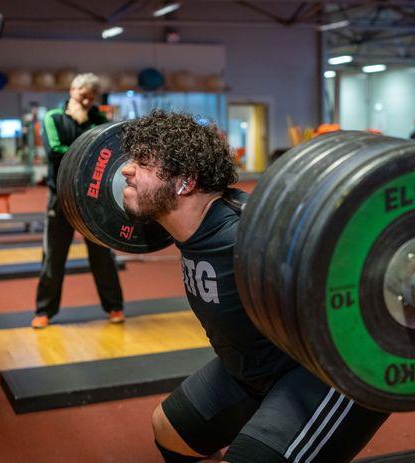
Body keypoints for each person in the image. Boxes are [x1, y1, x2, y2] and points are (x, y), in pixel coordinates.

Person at [120, 110, 389, 463]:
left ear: (184, 183)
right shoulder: (188, 225)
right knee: (169, 431)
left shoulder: (248, 235)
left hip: (325, 372)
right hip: (252, 366)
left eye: (142, 163)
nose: (126, 169)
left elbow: (357, 272)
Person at [31, 73, 124, 328]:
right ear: (73, 90)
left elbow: (109, 148)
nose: (87, 102)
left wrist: (85, 152)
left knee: (103, 256)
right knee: (53, 257)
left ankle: (114, 307)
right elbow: (53, 152)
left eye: (92, 98)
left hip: (93, 200)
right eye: (84, 96)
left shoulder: (97, 118)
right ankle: (44, 311)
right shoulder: (53, 117)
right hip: (61, 198)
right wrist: (89, 152)